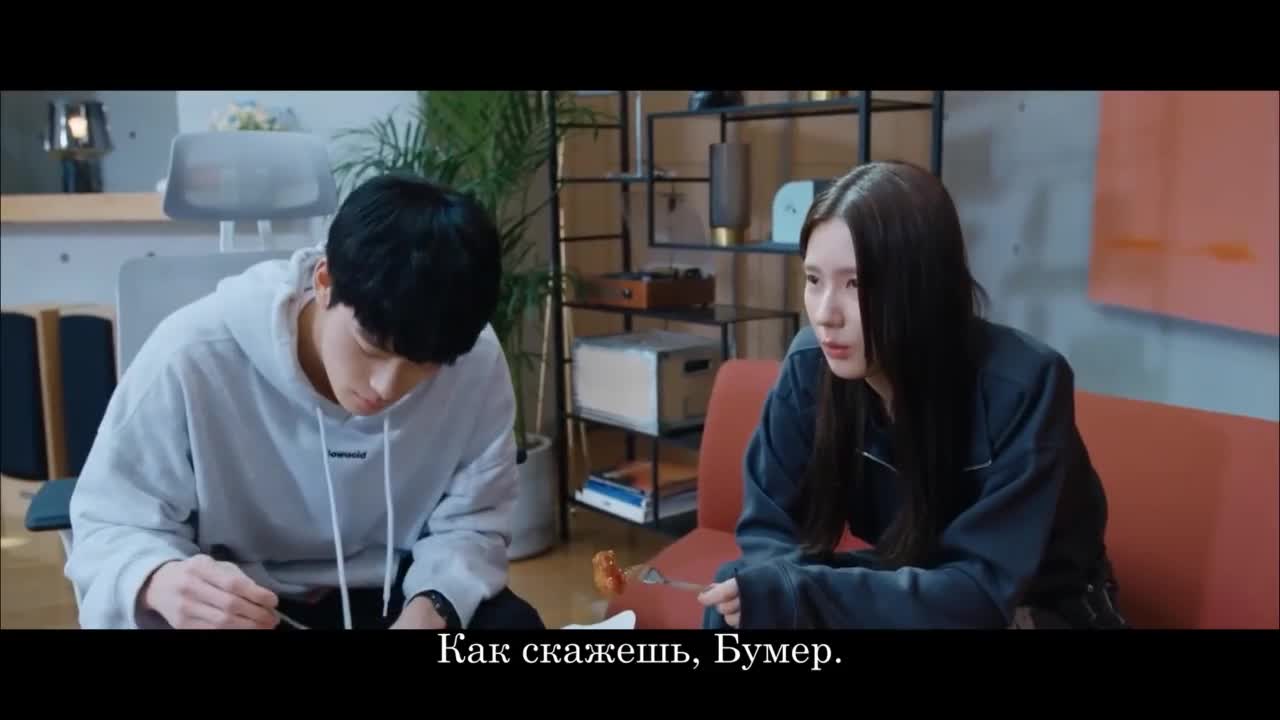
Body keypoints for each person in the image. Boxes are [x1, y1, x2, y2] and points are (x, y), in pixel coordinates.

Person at [65, 172, 544, 631]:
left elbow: (473, 524)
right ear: (324, 280)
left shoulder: (472, 358)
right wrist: (161, 580)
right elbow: (110, 523)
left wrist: (431, 609)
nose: (386, 387)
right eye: (370, 349)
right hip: (241, 603)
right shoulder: (191, 355)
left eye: (422, 366)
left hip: (400, 589)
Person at [696, 161, 1129, 630]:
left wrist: (801, 595)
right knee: (739, 599)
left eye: (856, 284)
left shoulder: (1025, 385)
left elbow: (982, 593)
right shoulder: (810, 366)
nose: (825, 315)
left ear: (923, 286)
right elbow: (769, 530)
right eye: (814, 280)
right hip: (917, 577)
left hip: (1028, 601)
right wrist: (772, 594)